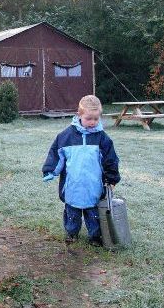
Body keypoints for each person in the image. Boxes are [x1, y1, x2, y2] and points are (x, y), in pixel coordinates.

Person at [42, 95, 120, 246]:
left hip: (94, 186)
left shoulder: (102, 138)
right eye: (89, 118)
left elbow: (110, 160)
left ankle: (95, 237)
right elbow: (56, 154)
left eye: (96, 119)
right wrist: (50, 170)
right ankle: (72, 233)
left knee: (94, 214)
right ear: (79, 115)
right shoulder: (66, 136)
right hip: (73, 186)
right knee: (72, 213)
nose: (92, 122)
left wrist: (111, 179)